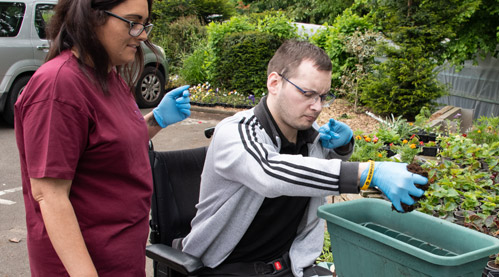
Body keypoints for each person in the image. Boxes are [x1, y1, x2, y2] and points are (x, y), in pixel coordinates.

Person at [180, 40, 427, 277]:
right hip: (224, 267)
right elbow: (271, 172)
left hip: (290, 264)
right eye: (308, 94)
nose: (317, 106)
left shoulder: (310, 134)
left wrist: (343, 147)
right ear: (274, 83)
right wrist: (369, 172)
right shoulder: (236, 132)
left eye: (323, 96)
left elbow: (314, 170)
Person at [14, 0, 190, 276]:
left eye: (145, 24)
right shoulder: (59, 86)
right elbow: (50, 194)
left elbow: (110, 145)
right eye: (133, 22)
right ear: (92, 18)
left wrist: (156, 119)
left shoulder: (107, 76)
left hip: (121, 261)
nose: (142, 34)